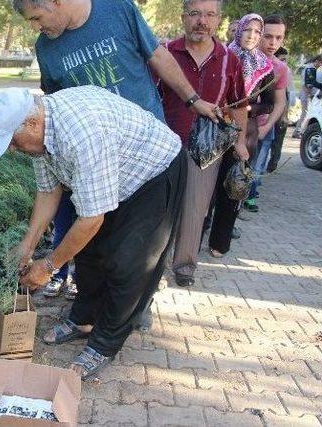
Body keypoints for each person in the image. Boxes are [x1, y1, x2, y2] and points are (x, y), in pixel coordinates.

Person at [11, 0, 218, 324]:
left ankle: (131, 310)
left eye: (37, 18)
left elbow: (158, 56)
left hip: (142, 155)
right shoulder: (46, 49)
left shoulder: (117, 9)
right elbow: (49, 109)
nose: (36, 27)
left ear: (55, 1)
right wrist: (31, 244)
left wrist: (192, 100)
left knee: (134, 249)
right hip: (94, 157)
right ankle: (90, 313)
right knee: (95, 246)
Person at [0, 86, 186, 380]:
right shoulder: (42, 135)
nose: (13, 149)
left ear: (31, 123)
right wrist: (28, 245)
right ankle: (84, 319)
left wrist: (49, 267)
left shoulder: (82, 135)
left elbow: (91, 219)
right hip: (116, 175)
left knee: (127, 263)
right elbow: (48, 190)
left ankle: (105, 343)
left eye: (13, 142)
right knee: (90, 251)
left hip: (154, 171)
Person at [157, 0, 248, 287]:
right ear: (183, 17)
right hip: (163, 144)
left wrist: (240, 142)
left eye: (209, 15)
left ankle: (184, 266)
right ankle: (153, 267)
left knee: (195, 209)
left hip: (208, 149)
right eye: (195, 13)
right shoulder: (164, 53)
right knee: (158, 209)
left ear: (219, 20)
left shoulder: (229, 59)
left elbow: (240, 105)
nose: (202, 21)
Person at [208, 14, 276, 256]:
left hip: (245, 133)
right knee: (208, 187)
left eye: (258, 32)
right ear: (239, 30)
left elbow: (268, 103)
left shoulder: (264, 66)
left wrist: (248, 109)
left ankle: (219, 242)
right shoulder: (223, 56)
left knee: (233, 186)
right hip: (216, 128)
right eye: (248, 29)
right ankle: (198, 232)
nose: (252, 35)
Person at [244, 14, 288, 212]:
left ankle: (244, 203)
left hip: (262, 128)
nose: (273, 42)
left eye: (278, 38)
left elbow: (279, 103)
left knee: (254, 171)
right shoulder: (242, 57)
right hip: (238, 125)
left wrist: (266, 127)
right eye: (268, 36)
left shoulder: (280, 68)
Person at [267, 46, 296, 173]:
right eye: (282, 59)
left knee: (278, 138)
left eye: (286, 59)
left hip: (281, 106)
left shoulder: (285, 70)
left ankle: (273, 162)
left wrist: (284, 114)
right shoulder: (271, 67)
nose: (284, 62)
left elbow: (288, 94)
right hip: (268, 108)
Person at [293, 55, 322, 138]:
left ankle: (300, 130)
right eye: (320, 63)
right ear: (317, 61)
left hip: (312, 95)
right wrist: (308, 95)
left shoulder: (314, 69)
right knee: (305, 113)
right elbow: (305, 84)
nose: (320, 65)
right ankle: (297, 131)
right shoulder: (308, 69)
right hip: (306, 95)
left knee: (306, 113)